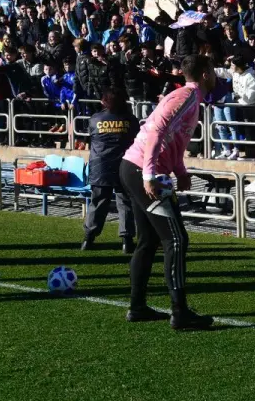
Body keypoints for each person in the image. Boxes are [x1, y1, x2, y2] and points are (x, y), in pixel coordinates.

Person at [119, 54, 217, 330]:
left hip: (134, 168)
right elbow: (156, 131)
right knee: (176, 239)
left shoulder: (189, 98)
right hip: (142, 170)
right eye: (212, 70)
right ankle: (180, 312)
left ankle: (137, 307)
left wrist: (181, 171)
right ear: (205, 74)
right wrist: (149, 174)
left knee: (149, 240)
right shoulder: (186, 96)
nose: (215, 75)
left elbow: (173, 140)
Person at [82, 88, 140, 253]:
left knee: (98, 203)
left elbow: (90, 137)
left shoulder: (95, 119)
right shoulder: (131, 120)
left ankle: (88, 239)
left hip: (100, 166)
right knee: (125, 202)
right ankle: (126, 241)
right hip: (124, 165)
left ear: (104, 101)